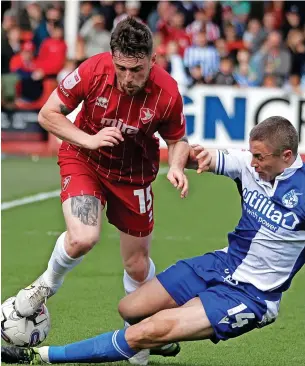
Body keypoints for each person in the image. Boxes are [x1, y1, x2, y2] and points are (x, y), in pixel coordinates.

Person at [3, 116, 305, 364]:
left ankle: (38, 356)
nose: (252, 162)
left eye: (259, 157)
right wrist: (177, 162)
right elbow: (195, 155)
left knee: (145, 330)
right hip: (221, 264)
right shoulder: (247, 165)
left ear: (287, 156)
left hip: (251, 296)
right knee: (130, 309)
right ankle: (158, 341)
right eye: (251, 154)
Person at [10, 17, 189, 363]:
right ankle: (44, 286)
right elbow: (49, 115)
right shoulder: (93, 71)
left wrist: (178, 166)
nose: (127, 78)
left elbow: (177, 139)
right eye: (121, 67)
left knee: (137, 265)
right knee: (83, 237)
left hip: (133, 174)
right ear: (111, 58)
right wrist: (88, 140)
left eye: (136, 69)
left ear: (153, 60)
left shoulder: (167, 93)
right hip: (85, 159)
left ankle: (142, 335)